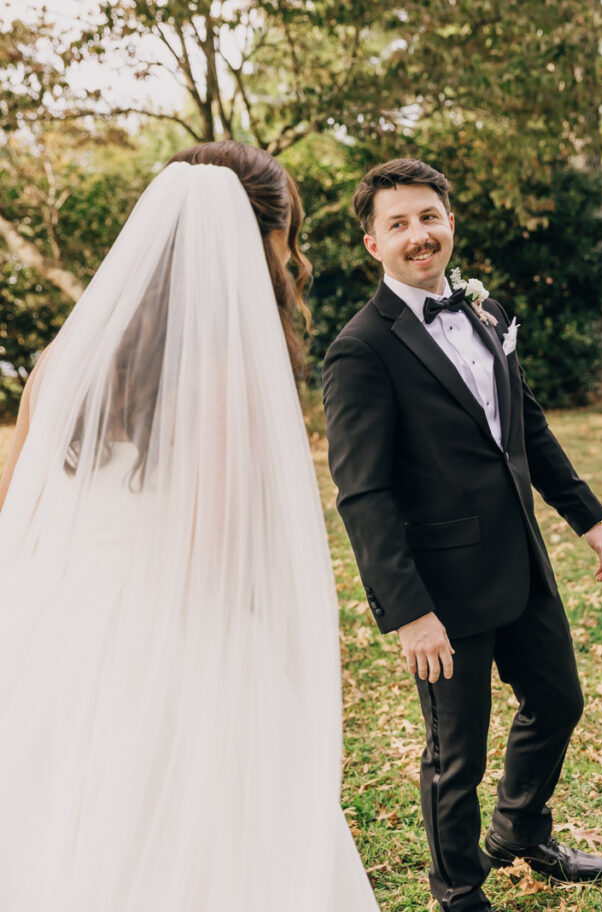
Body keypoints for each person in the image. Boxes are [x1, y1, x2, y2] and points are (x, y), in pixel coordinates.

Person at [0, 142, 379, 912]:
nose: (293, 257)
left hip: (52, 635)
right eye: (289, 235)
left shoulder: (55, 368)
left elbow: (14, 514)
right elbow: (220, 557)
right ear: (260, 236)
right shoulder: (224, 373)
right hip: (180, 649)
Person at [322, 158, 602, 912]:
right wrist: (408, 610)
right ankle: (457, 889)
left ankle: (519, 831)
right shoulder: (360, 349)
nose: (418, 235)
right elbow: (362, 492)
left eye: (428, 217)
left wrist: (586, 517)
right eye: (398, 224)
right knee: (454, 756)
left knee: (557, 702)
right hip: (441, 590)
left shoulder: (484, 313)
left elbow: (523, 425)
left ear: (447, 221)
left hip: (518, 561)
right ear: (372, 245)